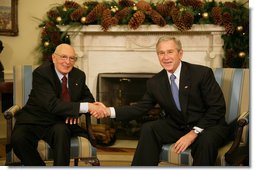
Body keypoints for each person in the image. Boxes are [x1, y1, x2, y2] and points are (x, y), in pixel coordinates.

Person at [92, 36, 230, 166]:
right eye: (161, 53)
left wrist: (194, 133)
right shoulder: (155, 82)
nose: (166, 57)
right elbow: (140, 108)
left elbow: (217, 108)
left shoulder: (201, 73)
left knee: (205, 141)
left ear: (180, 53)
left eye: (170, 52)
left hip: (209, 125)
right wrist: (107, 111)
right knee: (149, 128)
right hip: (179, 125)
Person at [11, 44, 104, 166]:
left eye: (72, 58)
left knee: (62, 132)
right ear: (54, 58)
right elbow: (52, 105)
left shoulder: (78, 75)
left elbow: (88, 98)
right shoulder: (42, 73)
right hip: (35, 119)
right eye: (63, 57)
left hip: (59, 122)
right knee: (18, 139)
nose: (67, 62)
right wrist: (83, 107)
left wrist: (74, 112)